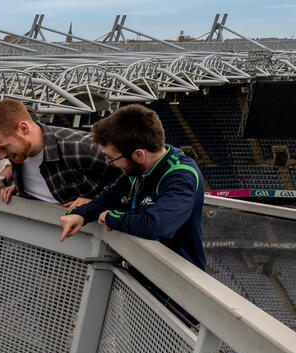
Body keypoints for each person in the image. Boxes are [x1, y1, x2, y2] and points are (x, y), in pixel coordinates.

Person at [59, 104, 206, 270]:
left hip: (175, 283)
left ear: (138, 155)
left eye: (111, 158)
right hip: (144, 270)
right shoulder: (141, 167)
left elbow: (156, 225)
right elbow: (111, 196)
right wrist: (81, 214)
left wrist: (111, 217)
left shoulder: (181, 176)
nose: (109, 164)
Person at [0, 99, 121, 206]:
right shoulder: (19, 153)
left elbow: (135, 181)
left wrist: (97, 203)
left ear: (23, 129)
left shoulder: (82, 146)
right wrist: (8, 183)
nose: (1, 156)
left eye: (3, 148)